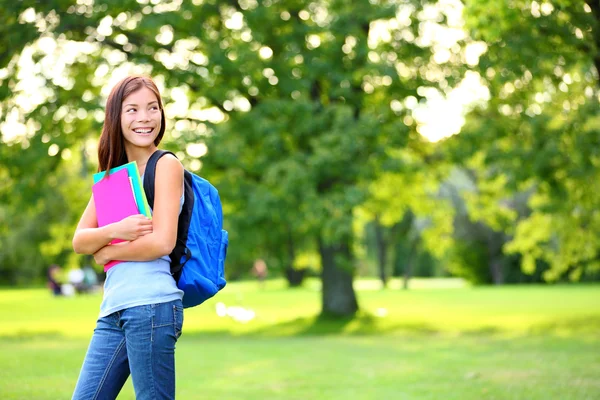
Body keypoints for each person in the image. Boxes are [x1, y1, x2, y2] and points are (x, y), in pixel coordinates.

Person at [71, 75, 185, 400]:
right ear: (116, 118)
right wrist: (114, 232)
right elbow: (80, 240)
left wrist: (106, 253)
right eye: (132, 109)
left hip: (151, 306)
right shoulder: (113, 176)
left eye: (152, 108)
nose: (144, 118)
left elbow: (163, 242)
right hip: (114, 309)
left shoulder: (166, 165)